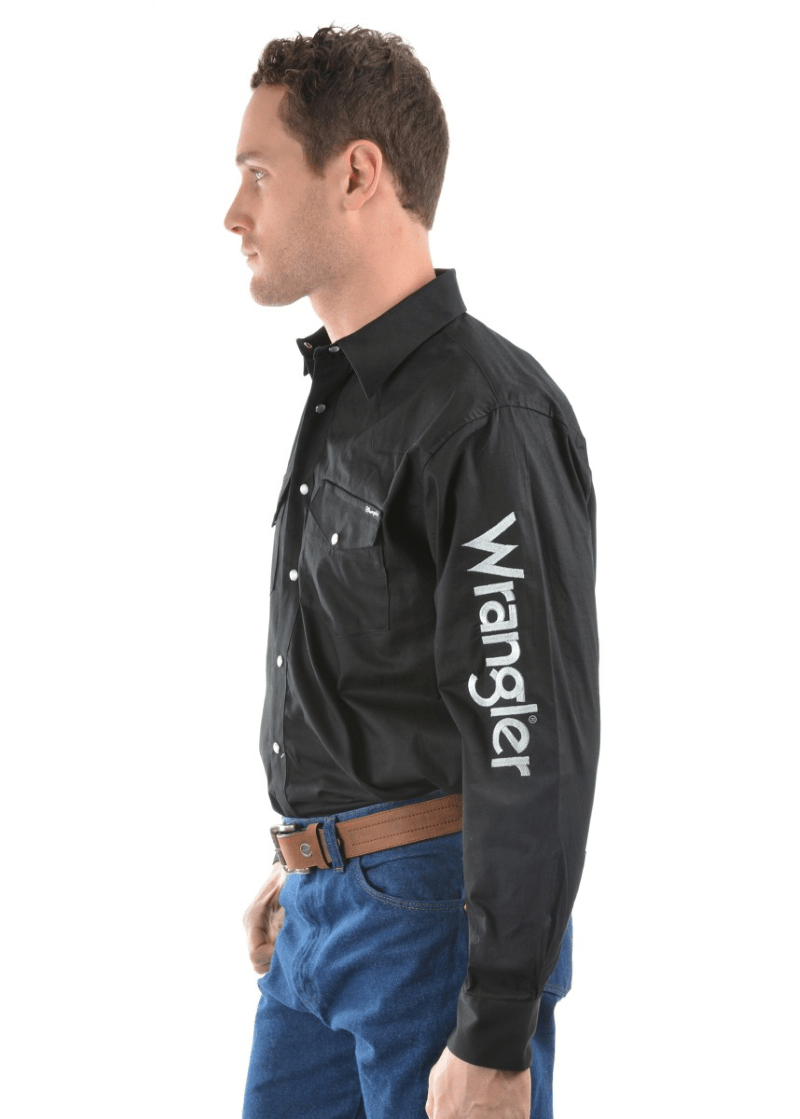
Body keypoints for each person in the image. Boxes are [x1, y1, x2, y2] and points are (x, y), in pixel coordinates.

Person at [224, 26, 600, 1119]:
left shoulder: (484, 416)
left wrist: (495, 1023)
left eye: (258, 174)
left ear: (356, 173)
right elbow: (385, 683)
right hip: (320, 920)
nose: (234, 213)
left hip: (428, 939)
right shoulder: (347, 402)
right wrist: (316, 859)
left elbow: (528, 736)